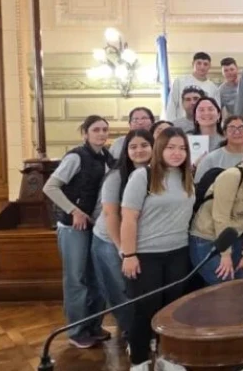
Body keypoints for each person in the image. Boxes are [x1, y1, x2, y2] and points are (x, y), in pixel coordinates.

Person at [120, 128, 195, 370]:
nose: (177, 153)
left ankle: (168, 357)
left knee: (172, 308)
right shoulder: (143, 176)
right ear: (160, 148)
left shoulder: (186, 176)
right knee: (145, 310)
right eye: (171, 147)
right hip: (146, 253)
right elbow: (128, 218)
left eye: (182, 148)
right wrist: (129, 255)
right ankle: (139, 361)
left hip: (178, 251)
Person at [42, 115, 114, 349]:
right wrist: (74, 211)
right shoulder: (76, 156)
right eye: (96, 129)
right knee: (77, 279)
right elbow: (50, 187)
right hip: (73, 228)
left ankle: (93, 325)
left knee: (96, 278)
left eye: (104, 129)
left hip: (96, 227)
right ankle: (77, 330)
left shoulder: (107, 157)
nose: (101, 134)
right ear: (85, 133)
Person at [91, 129, 153, 344]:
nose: (139, 150)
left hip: (137, 240)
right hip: (110, 240)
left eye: (144, 145)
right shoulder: (117, 176)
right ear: (126, 151)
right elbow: (110, 215)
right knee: (121, 288)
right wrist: (123, 249)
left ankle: (142, 331)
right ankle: (130, 333)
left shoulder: (157, 173)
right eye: (133, 146)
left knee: (138, 288)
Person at [189, 139, 243, 285]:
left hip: (235, 239)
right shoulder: (233, 176)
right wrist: (225, 254)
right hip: (207, 239)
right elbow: (220, 216)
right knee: (226, 287)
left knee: (242, 286)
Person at [194, 116, 243, 184]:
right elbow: (199, 186)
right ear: (224, 133)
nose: (237, 132)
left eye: (241, 128)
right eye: (232, 128)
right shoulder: (211, 159)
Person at [165, 52, 218, 121]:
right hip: (181, 125)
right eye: (199, 63)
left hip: (203, 125)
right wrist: (171, 124)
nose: (202, 67)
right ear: (193, 64)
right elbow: (172, 104)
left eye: (205, 64)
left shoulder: (213, 87)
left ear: (209, 66)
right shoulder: (180, 81)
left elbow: (215, 110)